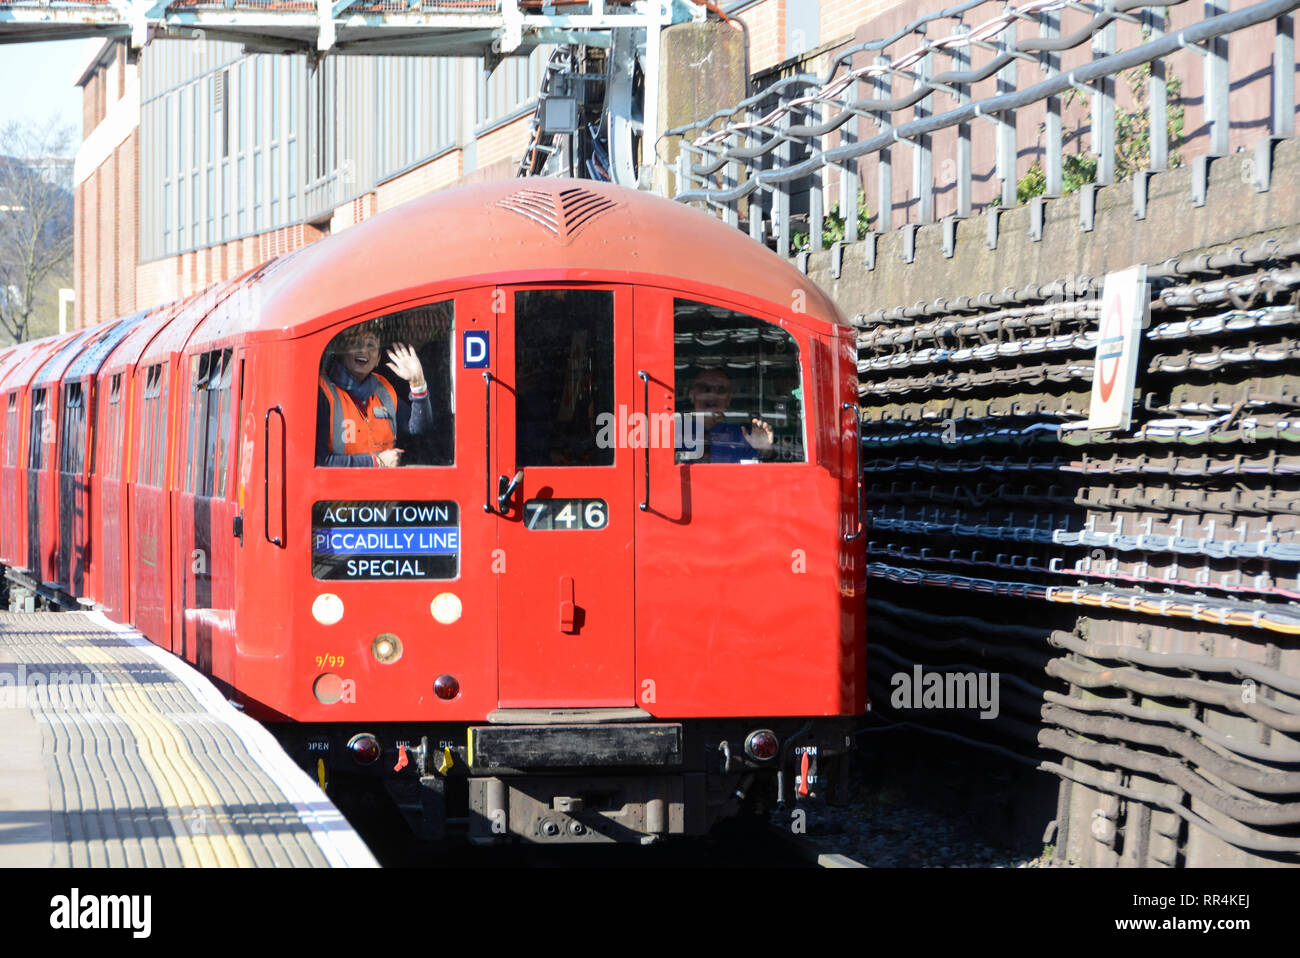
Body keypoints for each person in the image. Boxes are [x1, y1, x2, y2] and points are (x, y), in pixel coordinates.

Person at [316, 325, 433, 467]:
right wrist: (377, 462)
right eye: (356, 343)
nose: (363, 350)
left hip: (383, 486)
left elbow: (419, 431)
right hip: (339, 487)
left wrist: (418, 383)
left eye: (371, 345)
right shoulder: (323, 390)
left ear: (378, 359)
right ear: (342, 352)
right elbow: (319, 460)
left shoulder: (384, 389)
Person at [680, 367, 774, 463]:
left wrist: (764, 451)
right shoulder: (675, 434)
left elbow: (761, 474)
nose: (712, 394)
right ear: (692, 396)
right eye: (705, 389)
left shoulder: (745, 438)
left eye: (720, 390)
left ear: (728, 399)